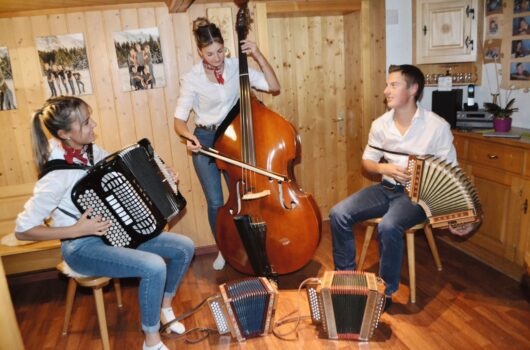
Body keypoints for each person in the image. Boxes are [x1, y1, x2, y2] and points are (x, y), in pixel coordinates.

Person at [15, 96, 195, 350]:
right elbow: (23, 231)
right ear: (65, 134)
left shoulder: (88, 151)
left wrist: (162, 177)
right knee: (154, 266)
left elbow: (121, 179)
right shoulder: (54, 176)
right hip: (81, 248)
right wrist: (77, 229)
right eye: (86, 123)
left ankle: (165, 307)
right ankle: (151, 341)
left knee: (184, 247)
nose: (94, 125)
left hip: (115, 234)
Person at [329, 64, 458, 310]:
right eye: (387, 84)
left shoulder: (437, 126)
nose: (386, 90)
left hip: (417, 196)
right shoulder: (380, 125)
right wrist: (383, 169)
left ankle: (385, 292)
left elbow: (451, 171)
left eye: (393, 85)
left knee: (389, 226)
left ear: (413, 89)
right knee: (338, 213)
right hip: (386, 188)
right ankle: (346, 280)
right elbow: (367, 162)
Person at [173, 17, 280, 270]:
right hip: (206, 139)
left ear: (224, 46)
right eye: (210, 53)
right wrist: (190, 138)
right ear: (200, 52)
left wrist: (258, 55)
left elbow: (274, 87)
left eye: (220, 50)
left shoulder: (237, 67)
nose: (217, 57)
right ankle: (224, 248)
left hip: (234, 138)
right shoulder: (192, 78)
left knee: (240, 197)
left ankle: (246, 246)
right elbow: (179, 121)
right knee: (216, 202)